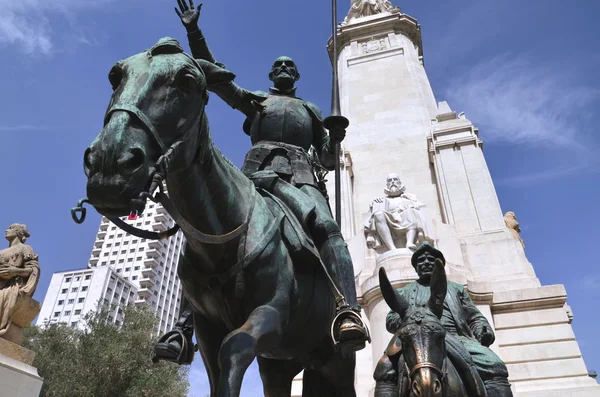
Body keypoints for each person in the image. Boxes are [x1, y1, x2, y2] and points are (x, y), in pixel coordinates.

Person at [152, 0, 369, 364]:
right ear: (271, 75)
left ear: (296, 76)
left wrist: (334, 137)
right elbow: (217, 77)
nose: (283, 68)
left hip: (300, 180)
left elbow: (329, 161)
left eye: (290, 65)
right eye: (278, 65)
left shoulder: (311, 111)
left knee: (329, 230)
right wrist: (194, 31)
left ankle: (347, 309)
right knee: (203, 239)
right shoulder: (256, 101)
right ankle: (183, 326)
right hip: (252, 177)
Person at [373, 242, 513, 397]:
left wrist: (482, 328)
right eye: (421, 260)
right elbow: (391, 319)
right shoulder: (404, 292)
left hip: (454, 337)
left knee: (493, 363)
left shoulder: (457, 289)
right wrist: (408, 319)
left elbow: (474, 316)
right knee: (384, 367)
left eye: (430, 259)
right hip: (413, 336)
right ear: (415, 267)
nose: (426, 262)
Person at [364, 173, 431, 252]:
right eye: (390, 180)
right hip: (389, 221)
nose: (392, 182)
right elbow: (372, 217)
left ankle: (409, 243)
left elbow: (421, 208)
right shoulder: (382, 200)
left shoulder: (409, 197)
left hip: (405, 219)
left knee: (411, 211)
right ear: (387, 184)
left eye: (395, 180)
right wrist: (376, 204)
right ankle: (392, 248)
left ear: (399, 183)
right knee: (378, 214)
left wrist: (411, 205)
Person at [0, 224, 40, 338]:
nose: (6, 230)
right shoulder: (2, 251)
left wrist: (16, 271)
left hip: (11, 284)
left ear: (19, 232)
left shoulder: (25, 248)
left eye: (10, 228)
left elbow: (33, 269)